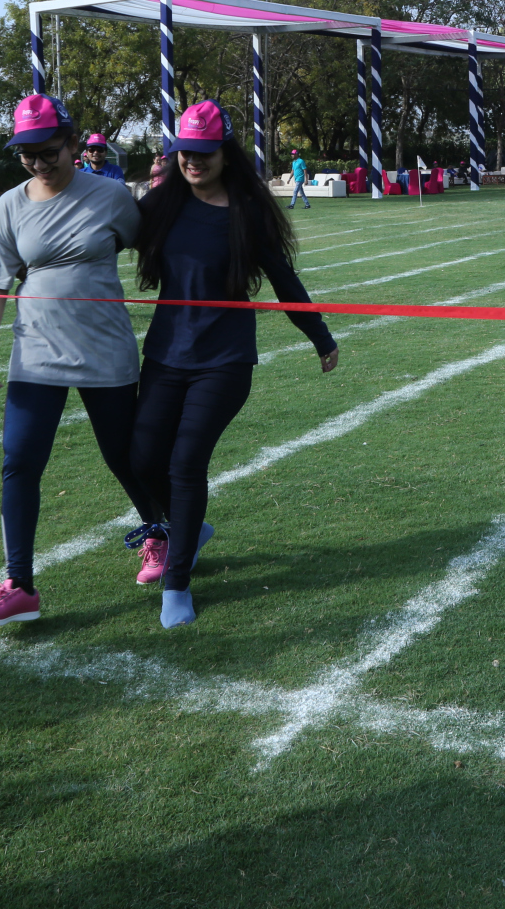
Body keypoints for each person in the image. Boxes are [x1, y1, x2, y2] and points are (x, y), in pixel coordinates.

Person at [129, 100, 339, 627]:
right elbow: (102, 237)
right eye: (185, 151)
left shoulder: (247, 213)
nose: (192, 161)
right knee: (143, 460)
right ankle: (191, 530)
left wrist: (319, 336)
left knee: (185, 463)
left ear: (225, 153)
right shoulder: (160, 204)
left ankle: (177, 583)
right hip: (165, 354)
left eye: (204, 152)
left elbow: (284, 280)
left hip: (223, 360)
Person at [0, 94, 154, 627]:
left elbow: (153, 245)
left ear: (72, 143)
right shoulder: (8, 207)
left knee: (125, 457)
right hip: (37, 353)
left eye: (48, 151)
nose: (38, 163)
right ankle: (18, 585)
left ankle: (162, 534)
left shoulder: (110, 196)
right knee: (20, 462)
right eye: (27, 154)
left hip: (105, 348)